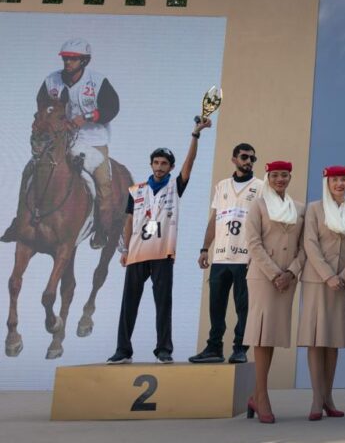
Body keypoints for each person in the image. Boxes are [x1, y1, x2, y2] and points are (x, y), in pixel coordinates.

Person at [106, 118, 212, 364]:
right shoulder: (136, 190)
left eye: (164, 163)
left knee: (163, 303)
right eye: (156, 162)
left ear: (171, 167)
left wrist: (195, 134)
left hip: (162, 253)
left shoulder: (175, 186)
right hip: (137, 252)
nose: (159, 166)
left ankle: (164, 349)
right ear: (151, 164)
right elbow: (129, 220)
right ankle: (123, 350)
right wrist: (125, 249)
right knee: (128, 303)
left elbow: (190, 164)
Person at [37, 38, 120, 242]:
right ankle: (21, 220)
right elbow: (42, 104)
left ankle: (103, 229)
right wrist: (55, 120)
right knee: (33, 169)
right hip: (60, 140)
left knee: (103, 183)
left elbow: (112, 107)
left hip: (93, 140)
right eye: (65, 58)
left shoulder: (98, 81)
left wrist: (87, 117)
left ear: (84, 61)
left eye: (73, 59)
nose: (68, 62)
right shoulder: (52, 81)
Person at [244, 161, 305, 424]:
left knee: (271, 336)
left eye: (284, 175)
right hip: (263, 277)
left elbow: (304, 247)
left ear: (290, 177)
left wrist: (291, 272)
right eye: (275, 175)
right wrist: (274, 274)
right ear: (268, 177)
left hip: (287, 280)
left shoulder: (299, 208)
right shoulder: (258, 205)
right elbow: (253, 243)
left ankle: (256, 395)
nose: (280, 179)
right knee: (261, 335)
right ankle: (262, 396)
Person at [189, 143, 262, 364]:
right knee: (216, 305)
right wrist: (205, 248)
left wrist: (257, 254)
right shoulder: (222, 186)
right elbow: (215, 219)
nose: (248, 161)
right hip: (220, 256)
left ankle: (240, 348)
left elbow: (264, 223)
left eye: (252, 158)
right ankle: (214, 347)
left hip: (245, 257)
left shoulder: (260, 186)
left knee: (243, 307)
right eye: (244, 157)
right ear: (234, 159)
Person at [299, 165, 345, 420]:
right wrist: (328, 275)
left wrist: (344, 276)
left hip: (342, 283)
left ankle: (328, 397)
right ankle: (316, 398)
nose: (340, 184)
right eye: (335, 179)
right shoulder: (314, 209)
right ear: (327, 182)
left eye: (343, 179)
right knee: (316, 340)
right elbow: (310, 244)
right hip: (317, 281)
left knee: (333, 341)